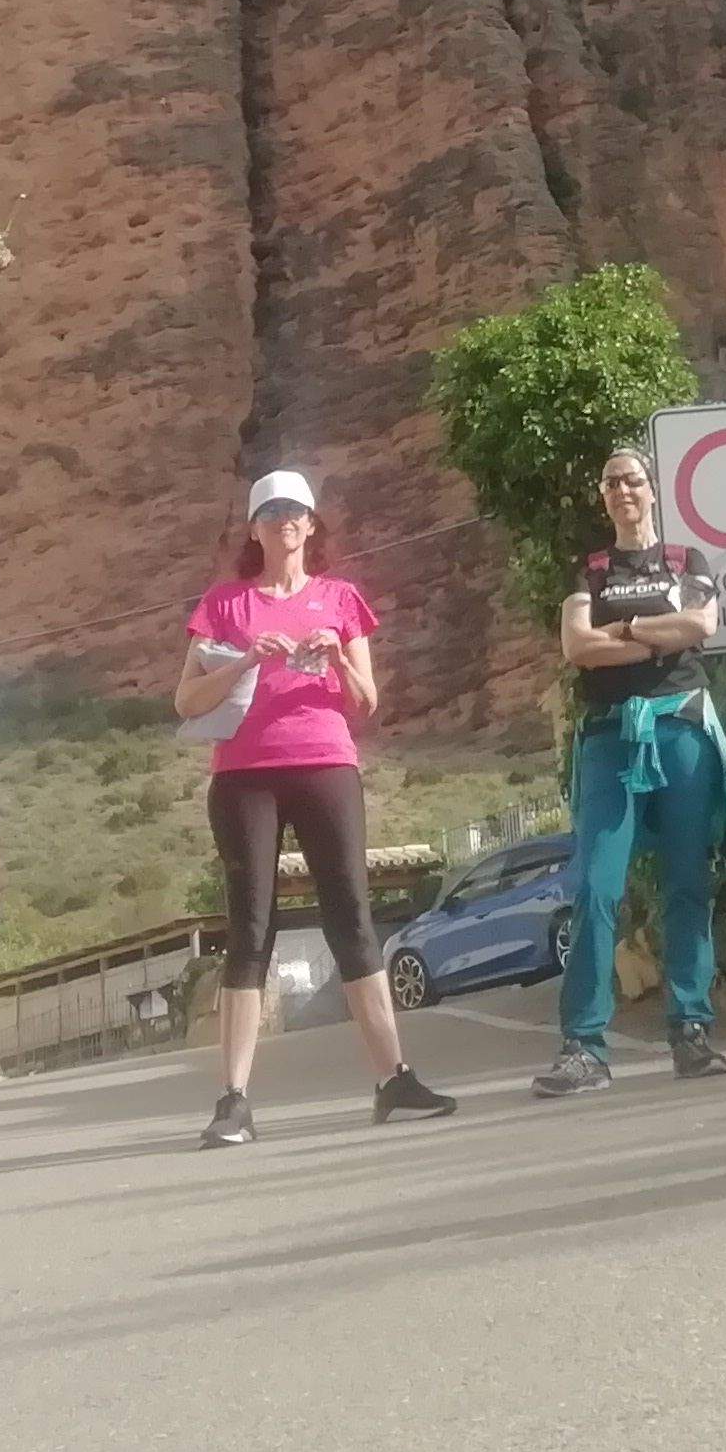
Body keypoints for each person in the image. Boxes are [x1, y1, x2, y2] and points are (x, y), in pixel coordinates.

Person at [171, 471, 455, 1144]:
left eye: (295, 512)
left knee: (352, 917)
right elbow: (185, 702)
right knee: (251, 929)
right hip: (245, 776)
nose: (285, 523)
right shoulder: (224, 606)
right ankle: (233, 1100)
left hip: (327, 764)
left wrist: (336, 659)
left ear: (311, 525)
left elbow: (366, 702)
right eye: (272, 513)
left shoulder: (340, 600)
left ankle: (394, 1079)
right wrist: (243, 662)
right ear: (254, 529)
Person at [534, 447, 726, 1099]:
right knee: (597, 888)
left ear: (651, 489)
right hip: (610, 738)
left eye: (632, 479)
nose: (622, 489)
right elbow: (578, 647)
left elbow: (701, 624)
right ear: (603, 495)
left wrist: (628, 628)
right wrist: (656, 635)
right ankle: (583, 1047)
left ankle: (691, 1030)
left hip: (682, 731)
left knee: (688, 883)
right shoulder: (590, 569)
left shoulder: (684, 561)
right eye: (611, 481)